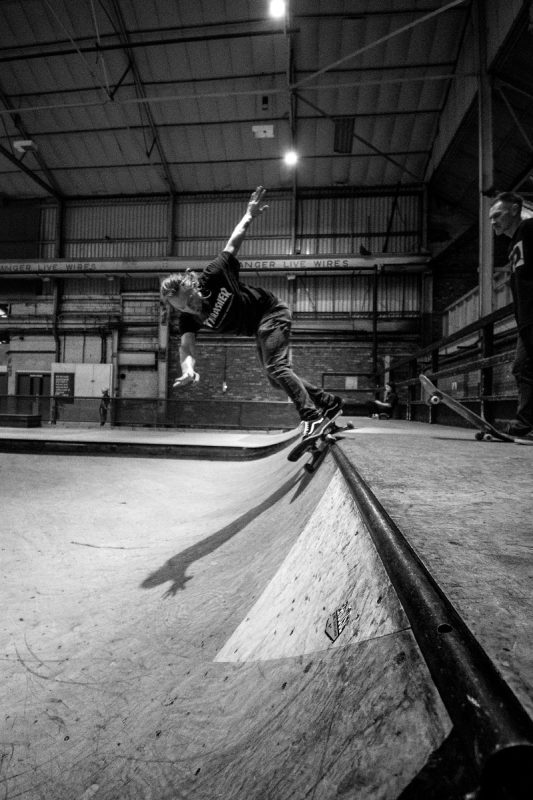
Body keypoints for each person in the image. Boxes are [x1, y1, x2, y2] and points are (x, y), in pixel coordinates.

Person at [160, 186, 344, 443]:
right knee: (275, 378)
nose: (191, 308)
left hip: (271, 312)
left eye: (191, 300)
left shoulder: (214, 275)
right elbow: (187, 347)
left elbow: (233, 242)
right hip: (258, 328)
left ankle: (311, 417)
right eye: (183, 307)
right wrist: (188, 370)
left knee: (277, 367)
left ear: (193, 285)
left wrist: (249, 215)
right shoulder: (188, 318)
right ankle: (329, 402)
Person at [489, 191, 533, 437]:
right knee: (522, 367)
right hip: (525, 316)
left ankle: (525, 424)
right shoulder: (513, 243)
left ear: (515, 209)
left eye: (497, 215)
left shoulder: (529, 229)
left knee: (525, 366)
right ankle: (526, 424)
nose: (493, 221)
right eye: (490, 218)